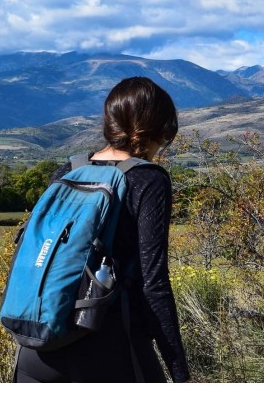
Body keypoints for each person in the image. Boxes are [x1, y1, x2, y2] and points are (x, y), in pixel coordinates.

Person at [14, 76, 189, 383]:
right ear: (158, 129)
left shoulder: (69, 171)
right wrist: (179, 369)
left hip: (37, 347)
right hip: (109, 347)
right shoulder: (149, 180)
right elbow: (154, 283)